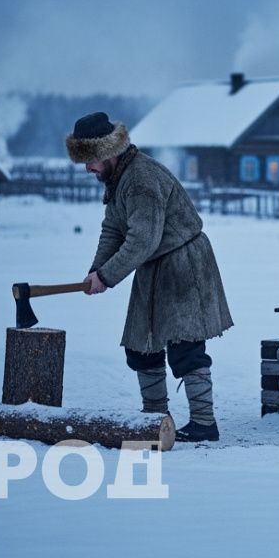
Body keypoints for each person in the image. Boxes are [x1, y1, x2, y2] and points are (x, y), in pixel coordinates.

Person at [66, 112, 233, 442]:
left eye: (91, 161)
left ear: (108, 152)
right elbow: (114, 229)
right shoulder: (119, 179)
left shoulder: (142, 180)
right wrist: (95, 271)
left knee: (185, 345)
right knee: (141, 346)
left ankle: (204, 423)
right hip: (154, 267)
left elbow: (143, 239)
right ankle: (155, 421)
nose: (88, 169)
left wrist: (107, 276)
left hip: (183, 264)